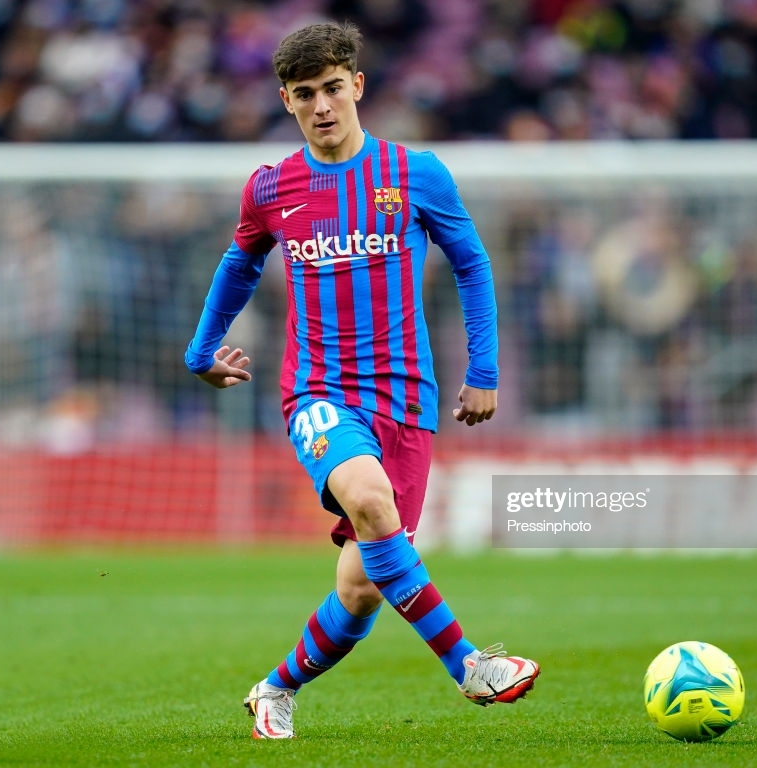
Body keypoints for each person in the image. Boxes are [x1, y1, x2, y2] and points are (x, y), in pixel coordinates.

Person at [185, 20, 540, 740]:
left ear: (359, 86)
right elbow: (240, 262)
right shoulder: (270, 188)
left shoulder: (416, 175)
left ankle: (275, 689)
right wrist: (202, 348)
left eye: (333, 88)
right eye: (305, 93)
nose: (322, 105)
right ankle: (471, 666)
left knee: (360, 588)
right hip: (318, 393)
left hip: (407, 400)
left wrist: (484, 370)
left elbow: (470, 264)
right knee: (372, 504)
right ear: (287, 100)